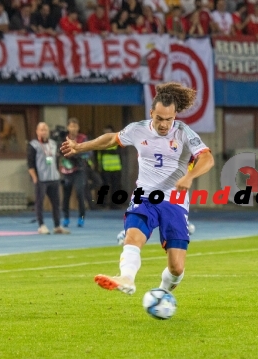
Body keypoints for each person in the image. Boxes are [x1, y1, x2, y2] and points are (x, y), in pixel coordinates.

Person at [60, 82, 214, 295]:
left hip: (174, 201)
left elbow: (207, 158)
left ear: (175, 116)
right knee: (132, 237)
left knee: (176, 268)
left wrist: (190, 176)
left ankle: (162, 292)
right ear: (151, 113)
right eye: (159, 118)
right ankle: (126, 278)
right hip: (144, 197)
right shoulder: (138, 129)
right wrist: (80, 146)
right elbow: (111, 139)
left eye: (168, 119)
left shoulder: (184, 133)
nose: (163, 124)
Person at [27, 122, 70, 235]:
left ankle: (57, 226)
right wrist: (35, 178)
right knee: (39, 203)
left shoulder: (53, 143)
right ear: (37, 132)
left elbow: (56, 160)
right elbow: (30, 164)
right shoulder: (33, 145)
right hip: (41, 179)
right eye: (41, 130)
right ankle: (41, 225)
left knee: (56, 203)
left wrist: (58, 172)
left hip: (53, 178)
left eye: (45, 129)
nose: (44, 132)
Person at [60, 118, 90, 227]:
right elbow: (59, 152)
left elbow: (88, 152)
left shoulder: (83, 138)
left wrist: (77, 154)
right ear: (68, 127)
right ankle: (66, 218)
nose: (73, 129)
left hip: (79, 170)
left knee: (79, 192)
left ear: (78, 128)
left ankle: (81, 217)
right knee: (66, 195)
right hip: (67, 170)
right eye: (71, 126)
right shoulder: (63, 138)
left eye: (75, 126)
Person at [97, 125, 123, 209]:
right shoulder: (101, 142)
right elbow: (98, 156)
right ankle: (102, 203)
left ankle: (114, 204)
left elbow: (121, 155)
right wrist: (99, 167)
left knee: (115, 186)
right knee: (104, 187)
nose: (107, 134)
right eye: (105, 132)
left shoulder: (117, 141)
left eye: (108, 132)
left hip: (116, 168)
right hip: (105, 168)